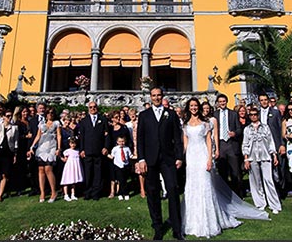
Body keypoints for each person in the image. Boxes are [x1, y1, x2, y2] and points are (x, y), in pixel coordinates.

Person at [181, 98, 268, 238]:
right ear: (188, 107)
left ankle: (208, 221)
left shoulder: (205, 123)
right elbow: (185, 144)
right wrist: (182, 158)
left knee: (205, 186)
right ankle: (192, 221)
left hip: (203, 155)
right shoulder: (185, 125)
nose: (194, 108)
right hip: (191, 158)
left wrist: (209, 158)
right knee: (192, 187)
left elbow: (209, 141)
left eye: (195, 106)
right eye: (191, 106)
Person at [137, 87, 184, 240]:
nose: (156, 98)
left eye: (159, 95)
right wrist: (141, 159)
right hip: (150, 159)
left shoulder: (170, 114)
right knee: (152, 192)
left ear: (163, 96)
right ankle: (157, 227)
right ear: (150, 97)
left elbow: (177, 137)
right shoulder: (144, 115)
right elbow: (140, 139)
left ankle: (177, 229)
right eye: (154, 96)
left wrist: (179, 157)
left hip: (168, 158)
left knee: (172, 189)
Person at [241, 107, 281, 214]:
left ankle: (274, 204)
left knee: (268, 180)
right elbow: (245, 144)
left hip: (265, 155)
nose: (253, 116)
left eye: (255, 114)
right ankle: (260, 203)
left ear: (258, 115)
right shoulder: (247, 129)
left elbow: (270, 141)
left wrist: (274, 155)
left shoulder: (265, 127)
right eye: (251, 115)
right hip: (252, 156)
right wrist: (246, 159)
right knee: (255, 181)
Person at [257, 93, 288, 199]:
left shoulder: (275, 113)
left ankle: (282, 191)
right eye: (262, 100)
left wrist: (282, 144)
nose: (264, 102)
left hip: (275, 143)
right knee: (266, 169)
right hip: (262, 145)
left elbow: (280, 129)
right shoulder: (257, 113)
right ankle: (269, 192)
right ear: (259, 102)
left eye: (265, 100)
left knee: (279, 168)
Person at [28, 107, 61, 203]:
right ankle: (42, 192)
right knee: (41, 169)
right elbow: (38, 136)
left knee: (48, 169)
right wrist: (32, 146)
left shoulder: (56, 123)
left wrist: (59, 148)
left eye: (52, 113)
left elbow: (59, 135)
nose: (50, 114)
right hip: (42, 146)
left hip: (51, 146)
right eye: (48, 113)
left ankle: (53, 192)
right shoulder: (41, 124)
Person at [78, 101, 109, 201]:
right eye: (90, 107)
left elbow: (107, 135)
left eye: (94, 107)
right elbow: (81, 136)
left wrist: (106, 147)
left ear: (97, 108)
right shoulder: (84, 121)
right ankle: (87, 192)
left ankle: (96, 193)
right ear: (88, 109)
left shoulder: (103, 119)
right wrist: (82, 149)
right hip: (87, 151)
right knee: (88, 173)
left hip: (99, 151)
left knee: (98, 173)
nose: (92, 109)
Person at [213, 93, 243, 197]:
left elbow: (239, 129)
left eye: (224, 101)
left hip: (231, 144)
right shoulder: (215, 114)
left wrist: (235, 133)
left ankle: (238, 195)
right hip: (220, 145)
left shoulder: (233, 114)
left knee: (235, 172)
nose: (222, 103)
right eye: (220, 102)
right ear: (218, 103)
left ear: (227, 102)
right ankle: (224, 195)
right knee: (222, 172)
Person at [0, 110, 18, 203]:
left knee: (5, 174)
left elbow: (16, 142)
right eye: (7, 116)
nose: (9, 118)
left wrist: (15, 154)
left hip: (8, 153)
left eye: (10, 116)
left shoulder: (14, 128)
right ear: (4, 117)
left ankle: (0, 195)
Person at [108, 135, 133, 200]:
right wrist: (106, 154)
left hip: (125, 166)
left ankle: (121, 192)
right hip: (118, 166)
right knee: (121, 180)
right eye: (120, 141)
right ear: (117, 142)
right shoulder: (115, 149)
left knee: (125, 180)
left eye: (123, 141)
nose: (121, 143)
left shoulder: (127, 148)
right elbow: (112, 157)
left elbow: (130, 156)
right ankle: (124, 193)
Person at [60, 137, 84, 201]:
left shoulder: (77, 151)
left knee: (73, 181)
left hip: (75, 168)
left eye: (74, 143)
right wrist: (59, 157)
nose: (73, 145)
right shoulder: (67, 151)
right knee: (67, 181)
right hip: (69, 168)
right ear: (69, 144)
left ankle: (73, 194)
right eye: (71, 143)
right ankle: (66, 195)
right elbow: (65, 160)